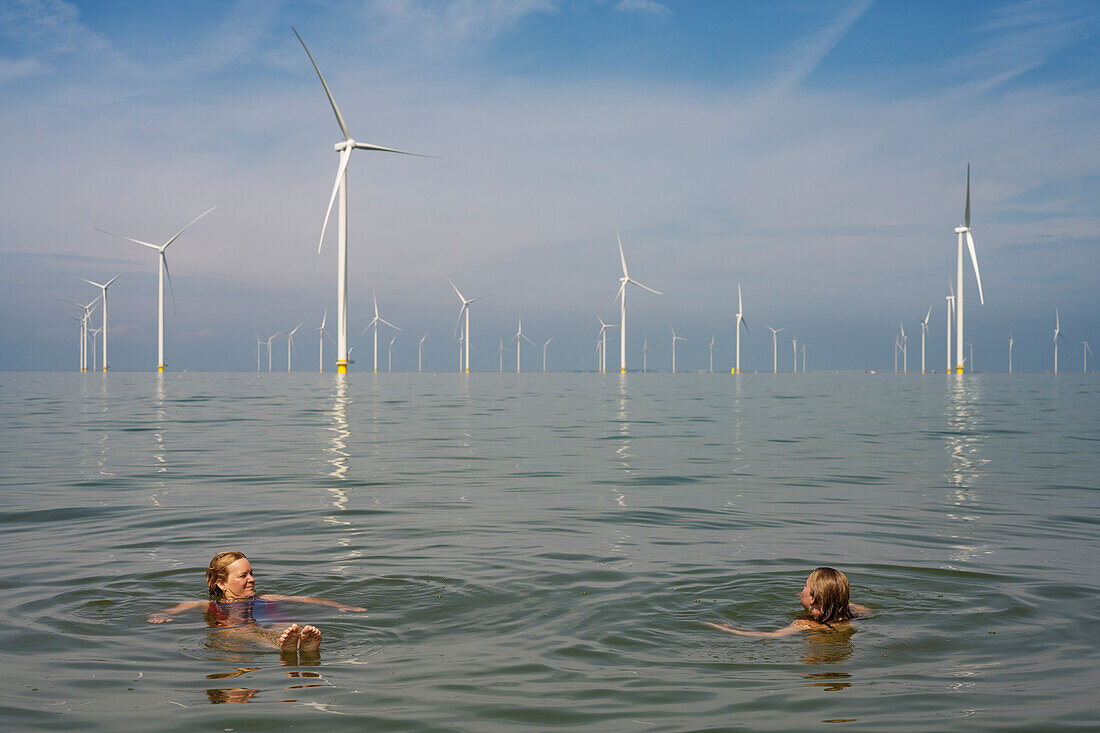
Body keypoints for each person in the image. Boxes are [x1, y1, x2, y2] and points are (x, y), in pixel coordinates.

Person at [147, 551, 367, 653]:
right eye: (243, 576)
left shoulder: (265, 599)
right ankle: (290, 647)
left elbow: (306, 598)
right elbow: (178, 607)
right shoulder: (209, 605)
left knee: (285, 628)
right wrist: (165, 614)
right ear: (222, 584)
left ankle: (299, 644)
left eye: (251, 573)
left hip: (267, 626)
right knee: (241, 632)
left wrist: (339, 605)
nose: (252, 579)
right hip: (238, 630)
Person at [705, 567, 870, 638]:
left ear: (812, 599)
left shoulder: (806, 624)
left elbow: (769, 636)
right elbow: (862, 608)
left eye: (805, 586)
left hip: (821, 651)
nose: (802, 590)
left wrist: (727, 629)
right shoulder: (853, 615)